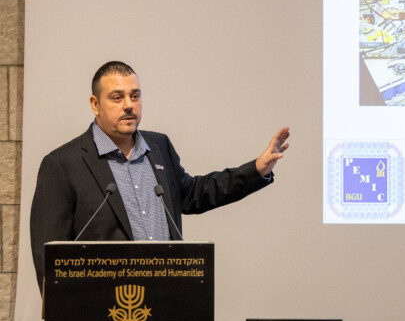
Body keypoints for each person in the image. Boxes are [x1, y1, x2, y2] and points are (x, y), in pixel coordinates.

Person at [29, 60, 290, 291]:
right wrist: (59, 309)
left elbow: (194, 194)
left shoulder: (159, 146)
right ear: (95, 104)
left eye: (135, 96)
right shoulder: (62, 164)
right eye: (117, 98)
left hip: (166, 299)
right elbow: (47, 251)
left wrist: (257, 170)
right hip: (102, 306)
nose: (129, 105)